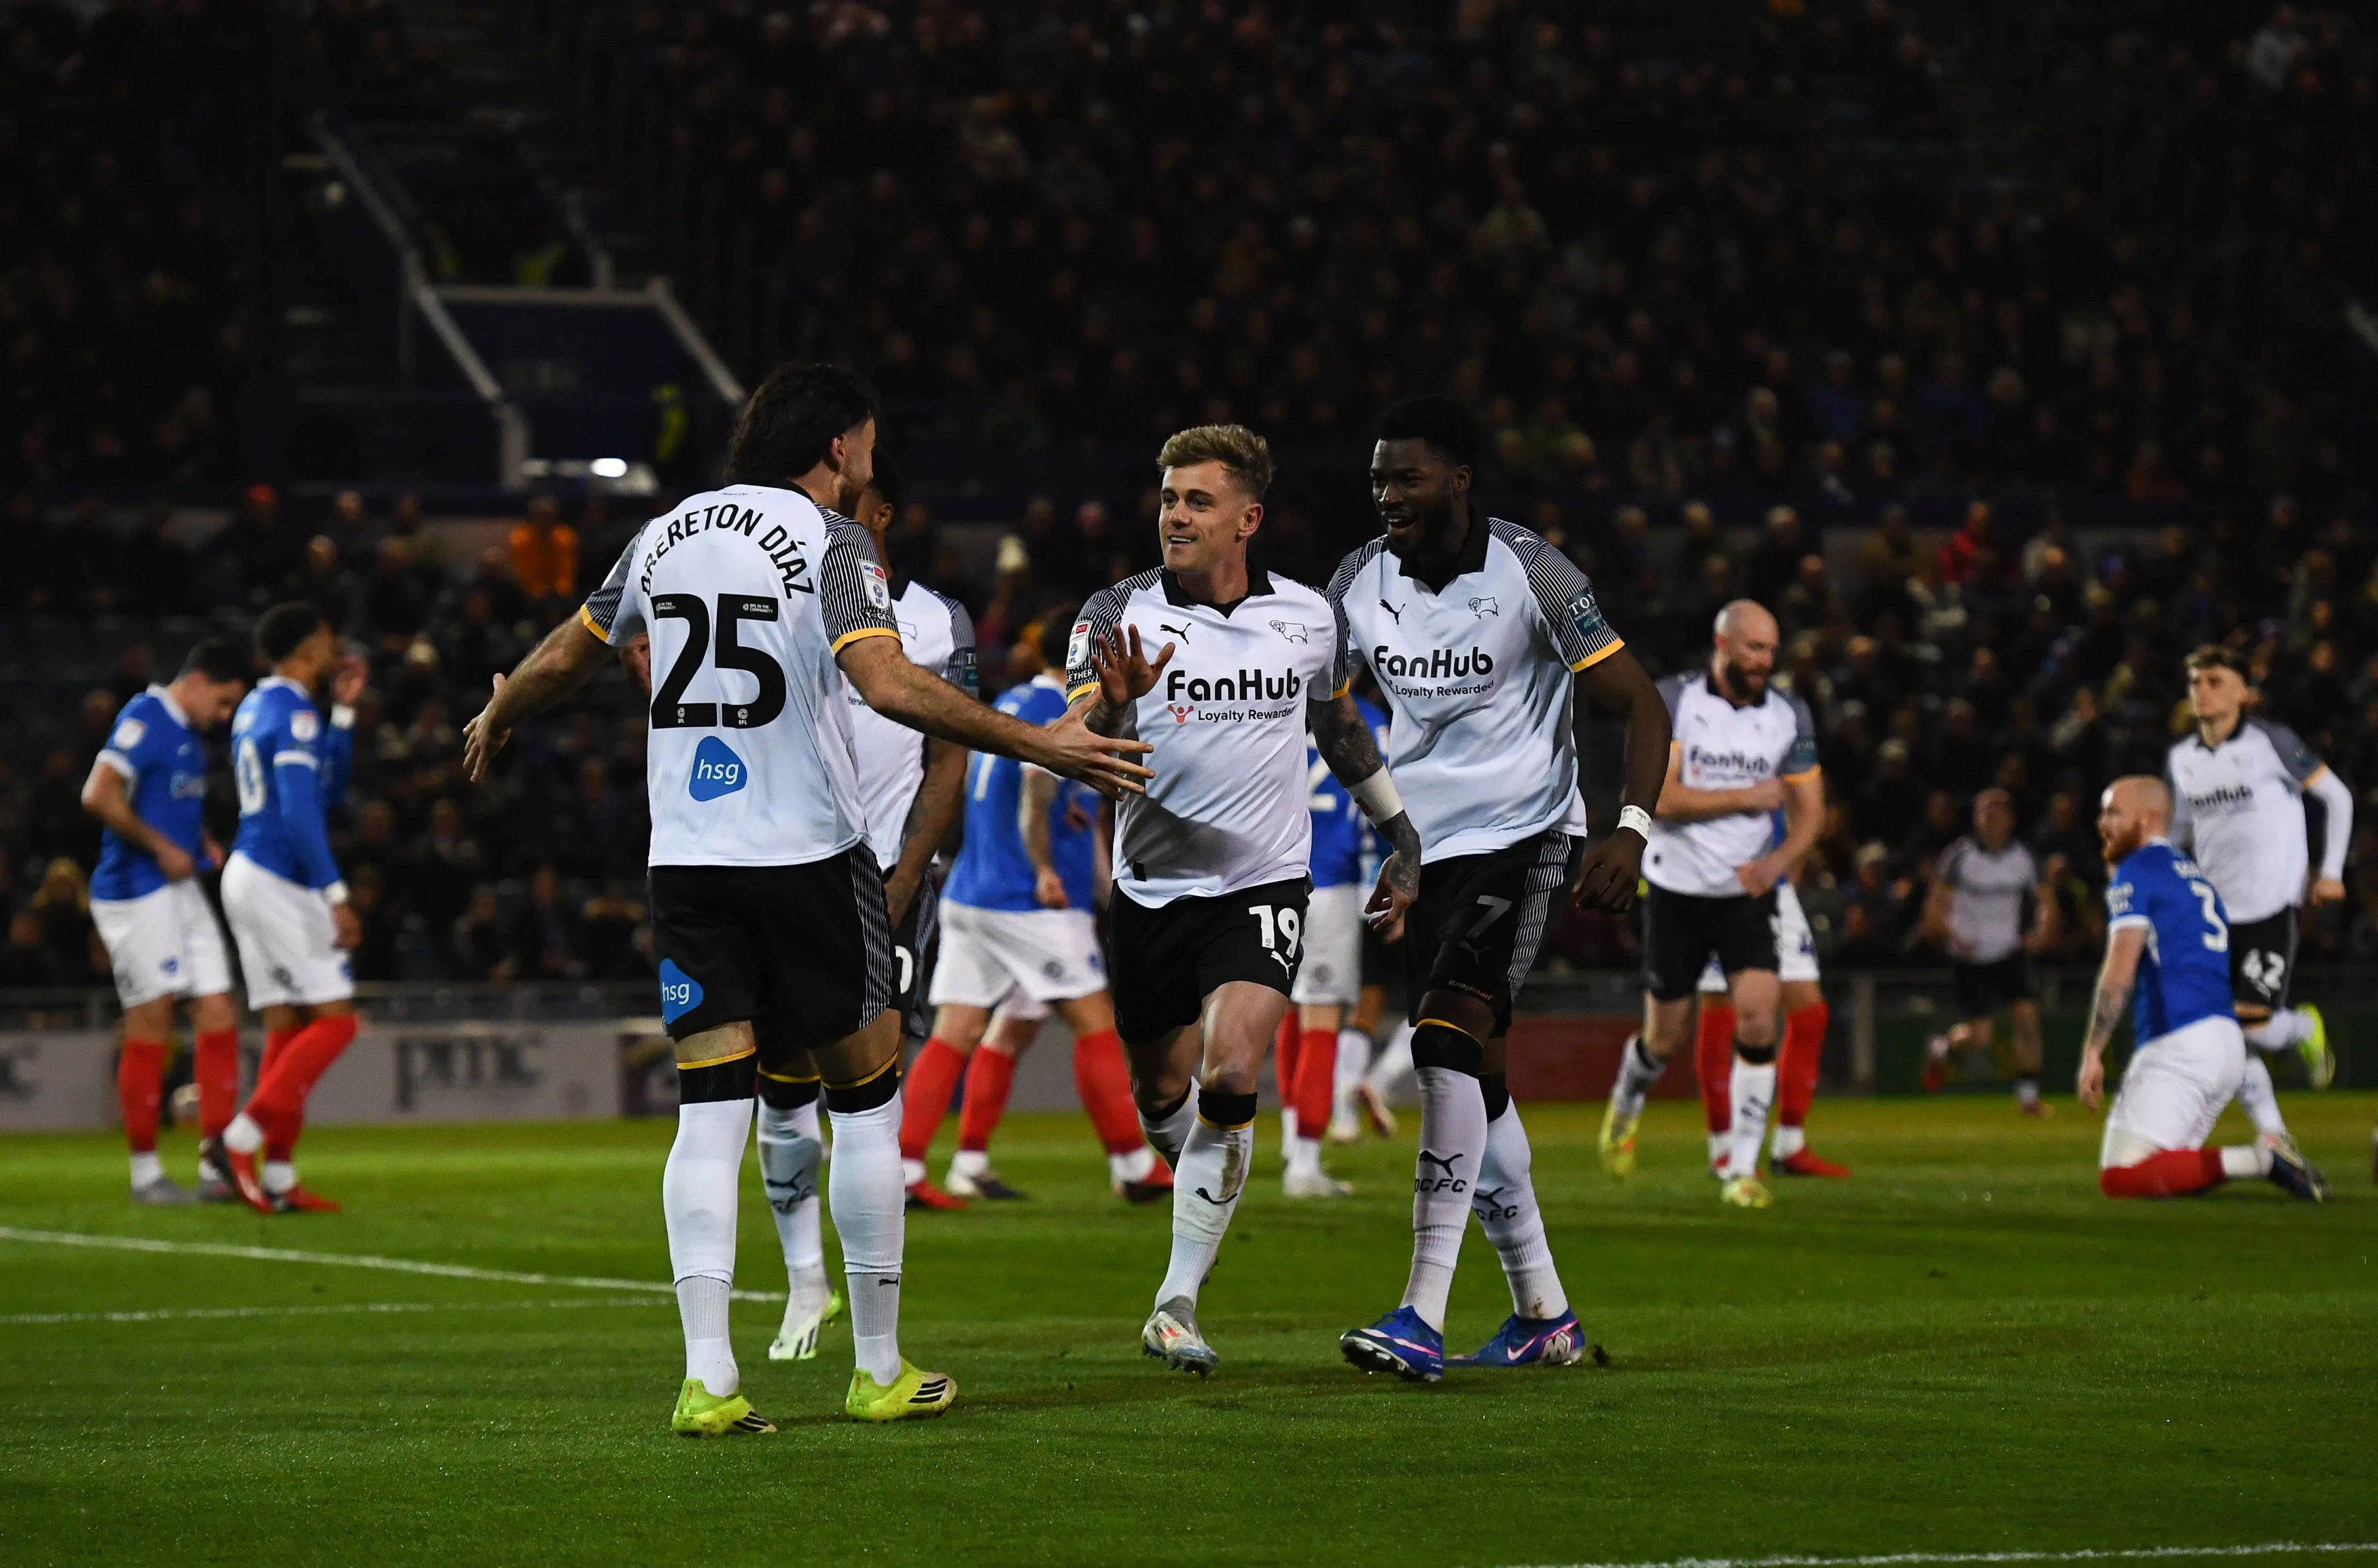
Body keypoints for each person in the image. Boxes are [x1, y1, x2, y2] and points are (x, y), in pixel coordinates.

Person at [461, 362, 1150, 1432]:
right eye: (866, 440)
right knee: (865, 1101)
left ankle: (707, 1380)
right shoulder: (833, 542)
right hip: (808, 855)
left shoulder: (664, 535)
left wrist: (502, 711)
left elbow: (570, 651)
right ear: (837, 448)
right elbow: (888, 683)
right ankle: (877, 1369)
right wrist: (1039, 742)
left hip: (689, 860)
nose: (872, 457)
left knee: (708, 1115)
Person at [1067, 423, 1425, 1377]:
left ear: (1247, 519)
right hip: (1151, 890)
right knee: (1163, 1093)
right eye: (1168, 499)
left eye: (1198, 501)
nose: (1175, 517)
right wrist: (1116, 703)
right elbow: (1073, 746)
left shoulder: (1309, 617)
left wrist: (1398, 830)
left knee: (1231, 1073)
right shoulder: (1115, 614)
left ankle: (1175, 1301)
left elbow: (1337, 725)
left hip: (1263, 880)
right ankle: (1204, 1177)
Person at [1328, 395, 1669, 1380]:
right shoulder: (1356, 580)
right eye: (1379, 479)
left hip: (1525, 839)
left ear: (1460, 480)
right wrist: (1395, 838)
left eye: (1408, 477)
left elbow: (1641, 703)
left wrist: (1631, 829)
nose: (1388, 495)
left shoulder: (1533, 570)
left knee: (1442, 1040)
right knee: (1478, 1080)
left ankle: (1419, 1314)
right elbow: (1329, 712)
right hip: (1427, 851)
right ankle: (1544, 1315)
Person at [745, 450, 976, 1364]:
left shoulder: (936, 621)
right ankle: (806, 1282)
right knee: (783, 1077)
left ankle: (877, 1339)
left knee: (867, 1086)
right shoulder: (788, 596)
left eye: (847, 496)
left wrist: (908, 875)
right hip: (793, 869)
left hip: (886, 878)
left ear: (878, 514)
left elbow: (948, 757)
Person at [902, 609, 1163, 1209]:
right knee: (1095, 1020)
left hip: (973, 890)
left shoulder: (1013, 700)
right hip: (1029, 900)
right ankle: (1133, 1163)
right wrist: (1044, 868)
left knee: (966, 1030)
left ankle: (921, 1167)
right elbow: (1035, 791)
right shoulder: (1062, 712)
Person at [1602, 600, 1823, 1211]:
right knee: (1662, 1039)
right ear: (1722, 645)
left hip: (1746, 892)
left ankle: (1743, 1169)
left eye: (1771, 650)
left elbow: (1812, 810)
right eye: (1754, 648)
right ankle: (1626, 1104)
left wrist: (1779, 863)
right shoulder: (1676, 700)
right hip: (1676, 888)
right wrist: (1747, 796)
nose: (1764, 661)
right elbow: (1660, 798)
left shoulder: (1789, 713)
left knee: (1758, 1018)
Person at [2079, 777, 2326, 1202]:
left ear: (2150, 818)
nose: (2103, 823)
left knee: (2120, 1176)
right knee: (2168, 1171)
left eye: (2114, 812)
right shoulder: (2190, 874)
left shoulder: (2138, 871)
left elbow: (2118, 971)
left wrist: (2092, 1050)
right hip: (2224, 1045)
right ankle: (2266, 1151)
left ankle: (2263, 1158)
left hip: (2180, 1043)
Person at [79, 637, 250, 1204]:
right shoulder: (146, 717)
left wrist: (198, 840)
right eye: (223, 702)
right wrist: (160, 847)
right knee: (151, 1020)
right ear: (198, 681)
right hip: (135, 890)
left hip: (179, 887)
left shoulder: (188, 735)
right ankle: (145, 1173)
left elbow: (167, 802)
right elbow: (98, 794)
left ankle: (215, 1166)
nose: (223, 716)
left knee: (219, 1008)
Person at [2165, 645, 2351, 1149]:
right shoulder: (2182, 759)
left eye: (2216, 682)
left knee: (2250, 1027)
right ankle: (2274, 1134)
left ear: (2244, 693)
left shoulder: (2271, 742)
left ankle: (2301, 1027)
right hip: (2212, 915)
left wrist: (2331, 872)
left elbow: (2337, 796)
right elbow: (2179, 830)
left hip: (2269, 906)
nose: (2203, 692)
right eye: (2196, 682)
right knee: (2223, 1032)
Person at [215, 605, 366, 1215]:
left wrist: (344, 714)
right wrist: (337, 895)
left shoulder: (259, 706)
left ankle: (278, 1174)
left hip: (250, 870)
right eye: (327, 640)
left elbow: (322, 789)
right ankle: (239, 1139)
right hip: (279, 876)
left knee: (288, 1027)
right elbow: (303, 814)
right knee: (337, 1022)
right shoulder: (296, 712)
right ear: (307, 649)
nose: (334, 649)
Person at [1274, 686, 1391, 1196]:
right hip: (1330, 884)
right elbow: (1382, 799)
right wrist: (1389, 875)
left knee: (1286, 1010)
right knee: (1321, 1021)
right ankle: (1304, 1164)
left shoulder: (1276, 699)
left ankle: (1289, 1139)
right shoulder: (1363, 716)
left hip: (1271, 879)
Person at [1689, 832, 1848, 1179]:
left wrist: (1792, 854)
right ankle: (1723, 1148)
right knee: (1721, 1009)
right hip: (1716, 885)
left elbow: (1805, 808)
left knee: (1809, 1014)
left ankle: (1790, 1144)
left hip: (1773, 883)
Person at [1920, 789, 2061, 1113]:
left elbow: (2046, 900)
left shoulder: (2023, 858)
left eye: (1997, 814)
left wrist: (2041, 930)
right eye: (1984, 813)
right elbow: (1935, 906)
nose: (1990, 820)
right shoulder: (1960, 857)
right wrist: (1952, 934)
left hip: (2010, 952)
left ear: (2010, 820)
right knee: (1980, 1037)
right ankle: (1942, 1047)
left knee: (2027, 1018)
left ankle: (2028, 1097)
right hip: (1969, 956)